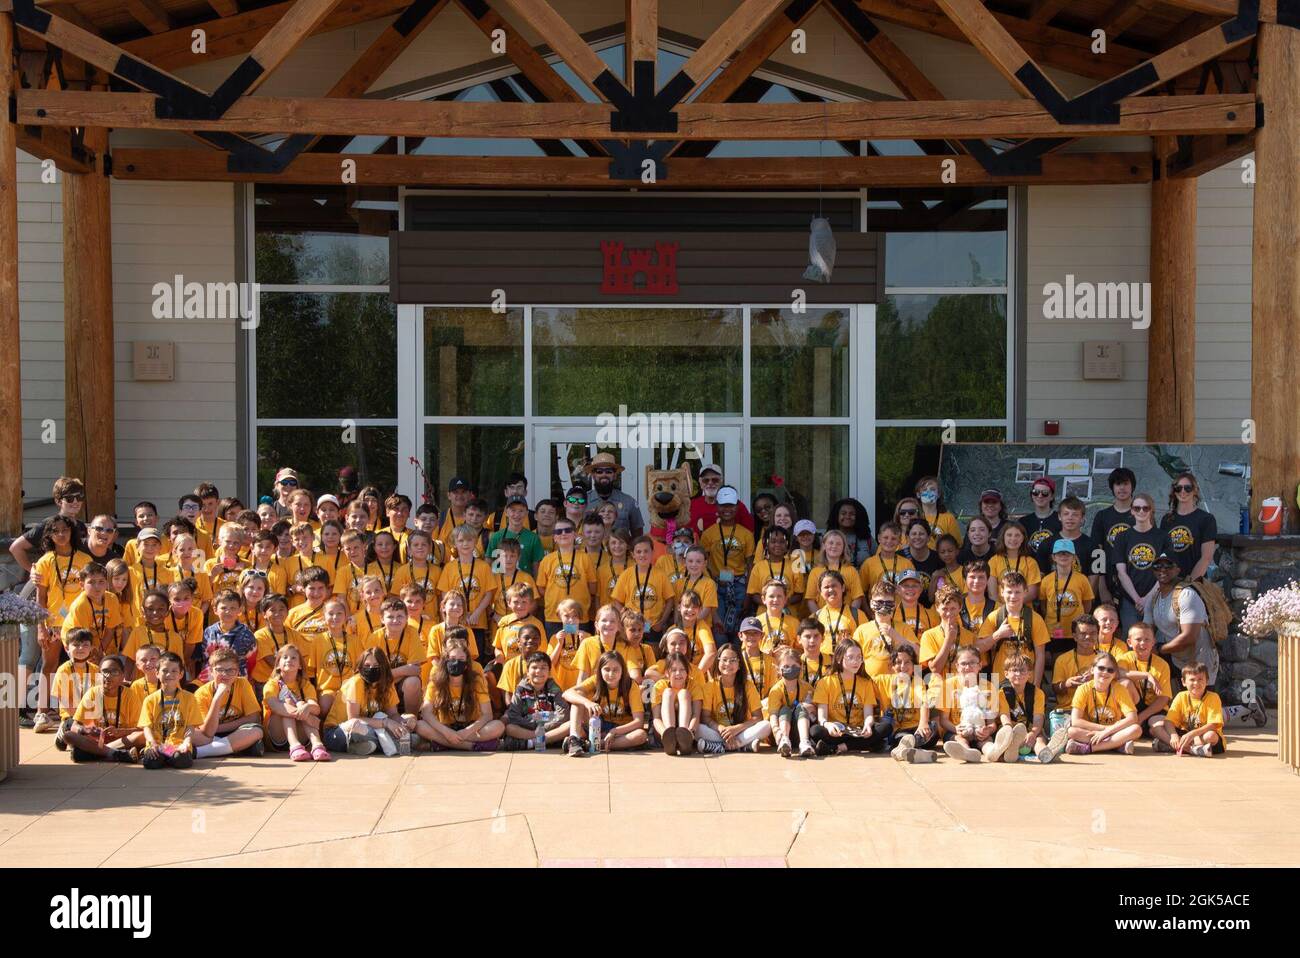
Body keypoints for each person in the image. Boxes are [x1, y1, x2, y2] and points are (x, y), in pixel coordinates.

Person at [416, 637, 504, 751]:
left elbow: (487, 714)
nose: (456, 662)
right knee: (420, 726)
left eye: (461, 659)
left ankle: (443, 744)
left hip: (471, 728)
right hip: (445, 727)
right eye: (452, 658)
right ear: (445, 661)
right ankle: (471, 746)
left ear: (467, 664)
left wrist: (466, 732)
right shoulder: (436, 681)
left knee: (499, 726)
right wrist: (447, 732)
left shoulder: (476, 680)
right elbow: (426, 712)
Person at [326, 647, 415, 756]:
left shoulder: (387, 682)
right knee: (358, 726)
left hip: (370, 728)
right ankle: (398, 743)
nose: (372, 669)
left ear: (383, 668)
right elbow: (353, 718)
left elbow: (393, 714)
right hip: (338, 732)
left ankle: (365, 746)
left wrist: (402, 724)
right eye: (367, 665)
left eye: (376, 666)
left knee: (409, 719)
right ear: (361, 666)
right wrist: (386, 723)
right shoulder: (356, 682)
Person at [561, 650, 648, 756]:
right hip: (597, 725)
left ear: (623, 671)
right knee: (578, 696)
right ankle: (574, 739)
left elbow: (639, 721)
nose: (611, 674)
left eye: (616, 670)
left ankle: (589, 745)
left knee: (641, 735)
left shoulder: (630, 685)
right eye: (606, 669)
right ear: (600, 670)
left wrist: (614, 731)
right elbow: (567, 693)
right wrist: (587, 703)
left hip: (621, 729)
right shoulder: (596, 680)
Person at [61, 654, 142, 763]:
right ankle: (114, 753)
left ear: (122, 676)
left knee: (142, 735)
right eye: (104, 672)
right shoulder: (93, 693)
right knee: (68, 735)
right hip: (97, 741)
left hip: (121, 740)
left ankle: (100, 753)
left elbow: (140, 729)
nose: (108, 676)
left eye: (114, 672)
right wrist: (86, 730)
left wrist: (120, 732)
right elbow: (75, 726)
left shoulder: (131, 695)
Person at [699, 486, 755, 643]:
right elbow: (704, 563)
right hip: (717, 586)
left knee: (738, 632)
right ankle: (720, 664)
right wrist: (711, 581)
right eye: (723, 505)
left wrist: (748, 595)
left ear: (737, 506)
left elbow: (750, 565)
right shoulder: (709, 533)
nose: (727, 509)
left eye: (730, 505)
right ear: (717, 506)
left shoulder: (746, 534)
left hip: (739, 586)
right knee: (719, 630)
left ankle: (737, 666)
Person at [810, 640, 885, 755]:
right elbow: (822, 718)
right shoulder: (825, 682)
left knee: (885, 728)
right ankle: (865, 744)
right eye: (850, 657)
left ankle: (839, 747)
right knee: (815, 731)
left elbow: (868, 715)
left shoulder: (866, 683)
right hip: (837, 731)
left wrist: (868, 725)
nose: (856, 661)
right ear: (839, 659)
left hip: (858, 731)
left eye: (859, 657)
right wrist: (827, 725)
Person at [193, 647, 266, 759]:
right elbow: (205, 731)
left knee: (256, 731)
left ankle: (199, 752)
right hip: (210, 736)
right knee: (189, 733)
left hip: (236, 732)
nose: (225, 674)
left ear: (237, 672)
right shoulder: (201, 693)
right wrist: (217, 698)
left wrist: (219, 728)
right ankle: (234, 747)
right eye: (220, 670)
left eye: (230, 670)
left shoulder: (242, 684)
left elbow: (254, 718)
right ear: (211, 671)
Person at [979, 571, 1049, 687]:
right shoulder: (994, 617)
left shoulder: (1035, 619)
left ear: (1025, 592)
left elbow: (1040, 655)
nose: (1013, 596)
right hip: (999, 682)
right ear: (1001, 592)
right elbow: (979, 648)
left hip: (1027, 681)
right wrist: (998, 634)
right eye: (1009, 592)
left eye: (1017, 592)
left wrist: (1035, 686)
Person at [997, 652, 1069, 764]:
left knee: (1039, 739)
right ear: (1006, 674)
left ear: (1030, 674)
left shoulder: (1038, 693)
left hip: (1030, 729)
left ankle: (1045, 752)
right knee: (1004, 737)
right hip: (1011, 730)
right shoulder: (1001, 693)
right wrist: (1009, 730)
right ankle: (1012, 749)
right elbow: (1004, 715)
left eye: (1022, 670)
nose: (1018, 674)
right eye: (1014, 670)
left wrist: (1033, 733)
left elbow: (1038, 718)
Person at [697, 645, 770, 753]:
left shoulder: (747, 685)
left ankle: (719, 747)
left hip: (741, 731)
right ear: (718, 662)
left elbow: (758, 717)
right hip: (719, 732)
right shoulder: (710, 686)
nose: (728, 664)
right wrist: (721, 728)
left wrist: (736, 729)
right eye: (724, 660)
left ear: (739, 664)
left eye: (733, 660)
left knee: (766, 726)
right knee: (698, 729)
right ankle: (742, 746)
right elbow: (705, 717)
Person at [935, 646, 1002, 763]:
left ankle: (992, 752)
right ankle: (966, 752)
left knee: (986, 740)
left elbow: (991, 722)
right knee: (959, 739)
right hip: (957, 731)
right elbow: (943, 720)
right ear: (957, 666)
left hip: (980, 730)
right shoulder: (948, 685)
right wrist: (956, 729)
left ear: (980, 665)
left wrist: (988, 730)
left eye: (972, 663)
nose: (968, 667)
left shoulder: (989, 687)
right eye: (963, 663)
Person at [1066, 653, 1142, 755]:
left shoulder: (1120, 689)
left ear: (1115, 674)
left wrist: (1106, 732)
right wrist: (1104, 730)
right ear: (1092, 669)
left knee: (1136, 729)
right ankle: (1117, 745)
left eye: (1110, 670)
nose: (1105, 672)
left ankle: (1090, 748)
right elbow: (1075, 721)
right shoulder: (1083, 689)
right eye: (1101, 668)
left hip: (1113, 730)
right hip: (1098, 730)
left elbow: (1133, 718)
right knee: (1072, 731)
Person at [139, 651, 204, 769]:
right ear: (157, 673)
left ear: (181, 674)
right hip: (157, 745)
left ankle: (173, 756)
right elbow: (146, 727)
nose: (169, 674)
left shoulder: (189, 698)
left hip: (178, 745)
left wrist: (186, 742)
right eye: (165, 671)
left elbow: (190, 726)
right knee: (152, 763)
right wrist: (153, 743)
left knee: (181, 761)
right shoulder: (150, 700)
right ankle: (162, 756)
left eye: (174, 671)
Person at [535, 518, 598, 638]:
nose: (563, 533)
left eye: (567, 530)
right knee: (556, 650)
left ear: (574, 534)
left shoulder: (585, 558)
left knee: (579, 651)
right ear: (555, 537)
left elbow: (592, 587)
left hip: (579, 615)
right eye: (559, 531)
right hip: (554, 615)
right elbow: (541, 588)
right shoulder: (547, 560)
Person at [1115, 622, 1174, 749]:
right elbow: (1120, 673)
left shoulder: (1162, 664)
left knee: (1157, 726)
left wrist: (1141, 717)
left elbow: (1164, 698)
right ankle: (1125, 737)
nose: (1143, 643)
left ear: (1153, 642)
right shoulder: (1124, 659)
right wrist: (1146, 675)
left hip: (1153, 710)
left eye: (1147, 639)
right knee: (1124, 683)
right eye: (1138, 639)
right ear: (1129, 642)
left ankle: (1177, 746)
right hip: (1132, 708)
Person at [1114, 493, 1167, 632]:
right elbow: (1121, 572)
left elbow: (1165, 573)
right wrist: (1137, 599)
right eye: (1137, 508)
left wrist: (1147, 599)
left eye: (1145, 508)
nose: (1141, 511)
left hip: (1157, 598)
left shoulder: (1163, 537)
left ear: (1151, 510)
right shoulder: (1122, 537)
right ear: (1132, 511)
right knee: (1131, 642)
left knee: (1155, 644)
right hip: (1130, 600)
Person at [877, 646, 938, 764]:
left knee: (933, 728)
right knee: (902, 738)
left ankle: (908, 750)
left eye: (907, 662)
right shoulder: (883, 681)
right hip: (899, 731)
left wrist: (923, 723)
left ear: (914, 666)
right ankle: (917, 751)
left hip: (917, 728)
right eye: (898, 662)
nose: (903, 666)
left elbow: (923, 703)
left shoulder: (917, 682)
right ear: (892, 666)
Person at [502, 651, 570, 750]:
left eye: (543, 668)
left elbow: (563, 714)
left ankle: (530, 743)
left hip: (549, 727)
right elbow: (514, 715)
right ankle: (545, 740)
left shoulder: (554, 689)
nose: (538, 671)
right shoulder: (521, 689)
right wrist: (536, 725)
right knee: (509, 728)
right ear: (528, 672)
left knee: (570, 725)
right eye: (534, 667)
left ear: (549, 672)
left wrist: (542, 724)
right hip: (528, 728)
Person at [611, 535, 674, 641]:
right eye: (638, 552)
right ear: (633, 554)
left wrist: (661, 622)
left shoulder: (661, 575)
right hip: (631, 627)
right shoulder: (626, 575)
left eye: (646, 551)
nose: (642, 555)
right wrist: (627, 617)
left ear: (652, 552)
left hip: (653, 627)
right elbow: (617, 600)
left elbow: (670, 600)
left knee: (652, 655)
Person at [1038, 539, 1094, 652]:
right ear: (1053, 557)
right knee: (1056, 662)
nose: (1063, 556)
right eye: (1060, 553)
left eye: (1067, 553)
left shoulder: (1082, 579)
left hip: (1076, 630)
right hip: (1053, 630)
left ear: (1074, 557)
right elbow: (1043, 605)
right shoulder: (1046, 580)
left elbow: (1087, 605)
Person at [1159, 473, 1218, 580]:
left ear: (1195, 490)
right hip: (1169, 582)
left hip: (1195, 582)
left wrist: (1189, 583)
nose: (1183, 491)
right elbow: (1162, 554)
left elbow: (1206, 557)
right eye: (1178, 488)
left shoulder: (1206, 519)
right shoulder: (1166, 520)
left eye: (1187, 488)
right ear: (1174, 491)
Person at [854, 581, 916, 680]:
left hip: (898, 685)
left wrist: (897, 637)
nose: (883, 607)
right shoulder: (862, 630)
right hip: (871, 687)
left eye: (888, 603)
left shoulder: (904, 628)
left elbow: (919, 653)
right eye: (879, 602)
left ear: (894, 605)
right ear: (871, 603)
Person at [1091, 467, 1137, 601]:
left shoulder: (1141, 514)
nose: (1122, 488)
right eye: (1118, 484)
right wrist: (1101, 587)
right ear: (1112, 487)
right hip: (1108, 579)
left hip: (1136, 580)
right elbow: (1097, 553)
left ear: (1132, 486)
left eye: (1126, 483)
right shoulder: (1102, 516)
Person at [1166, 662, 1226, 756]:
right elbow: (1169, 721)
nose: (1196, 683)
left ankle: (1179, 747)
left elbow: (1213, 725)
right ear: (1183, 682)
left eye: (1200, 679)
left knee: (1210, 735)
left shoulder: (1213, 697)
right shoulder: (1180, 696)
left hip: (1204, 736)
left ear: (1207, 681)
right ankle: (1192, 749)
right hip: (1186, 735)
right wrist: (1173, 735)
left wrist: (1193, 734)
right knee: (1157, 727)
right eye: (1192, 680)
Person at [769, 645, 816, 758]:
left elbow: (815, 710)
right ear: (778, 669)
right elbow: (773, 714)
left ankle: (805, 743)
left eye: (794, 666)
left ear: (801, 667)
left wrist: (809, 707)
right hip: (782, 730)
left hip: (802, 728)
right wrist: (776, 730)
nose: (790, 669)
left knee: (801, 708)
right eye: (786, 666)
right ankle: (785, 741)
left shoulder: (807, 687)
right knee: (784, 709)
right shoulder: (776, 690)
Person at [652, 651, 702, 755]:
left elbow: (696, 715)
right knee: (668, 692)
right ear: (666, 673)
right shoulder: (658, 686)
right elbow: (656, 718)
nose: (678, 673)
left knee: (684, 693)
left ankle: (684, 738)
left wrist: (690, 732)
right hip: (663, 730)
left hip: (687, 728)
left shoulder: (694, 686)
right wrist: (664, 733)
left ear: (687, 672)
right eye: (674, 670)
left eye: (682, 669)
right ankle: (670, 738)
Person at [804, 529, 864, 614]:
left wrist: (849, 616)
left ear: (843, 547)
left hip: (846, 619)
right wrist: (820, 619)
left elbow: (857, 598)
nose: (834, 546)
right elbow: (810, 600)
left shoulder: (851, 571)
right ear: (824, 546)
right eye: (831, 543)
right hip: (823, 621)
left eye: (838, 544)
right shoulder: (815, 572)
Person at [585, 453, 644, 537]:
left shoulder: (628, 501)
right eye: (599, 472)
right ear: (593, 475)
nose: (604, 475)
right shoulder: (584, 500)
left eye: (609, 471)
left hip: (620, 549)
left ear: (615, 475)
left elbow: (638, 535)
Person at [487, 494, 545, 574]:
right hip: (501, 584)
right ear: (506, 512)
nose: (517, 515)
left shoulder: (533, 538)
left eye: (521, 511)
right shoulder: (496, 536)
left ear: (526, 513)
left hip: (525, 584)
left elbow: (536, 568)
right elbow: (488, 563)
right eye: (513, 510)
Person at [690, 464, 754, 536]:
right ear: (700, 483)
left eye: (715, 480)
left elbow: (749, 534)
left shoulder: (736, 505)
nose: (710, 483)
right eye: (706, 480)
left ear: (721, 481)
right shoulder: (690, 506)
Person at [988, 521, 1041, 603]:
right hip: (1000, 611)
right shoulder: (994, 561)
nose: (1013, 539)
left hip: (1024, 610)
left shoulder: (1030, 562)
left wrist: (1014, 606)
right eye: (1009, 535)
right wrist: (1003, 610)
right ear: (1003, 537)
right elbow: (992, 594)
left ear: (1023, 539)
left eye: (1017, 535)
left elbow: (1032, 594)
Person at [1019, 477, 1062, 572]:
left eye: (1045, 493)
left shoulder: (1060, 520)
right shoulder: (1023, 522)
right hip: (1028, 573)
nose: (1040, 496)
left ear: (1052, 496)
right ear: (1031, 495)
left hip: (1054, 574)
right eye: (1035, 492)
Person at [860, 521, 913, 591]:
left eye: (893, 538)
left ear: (899, 540)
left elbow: (912, 590)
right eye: (885, 537)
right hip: (876, 601)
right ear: (879, 538)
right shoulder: (868, 564)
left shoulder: (907, 564)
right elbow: (861, 592)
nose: (889, 541)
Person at [914, 475, 962, 546]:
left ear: (938, 494)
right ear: (918, 494)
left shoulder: (948, 518)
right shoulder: (913, 517)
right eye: (924, 490)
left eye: (932, 489)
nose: (928, 492)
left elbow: (957, 545)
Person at [825, 497, 873, 566]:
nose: (847, 516)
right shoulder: (827, 538)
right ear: (836, 516)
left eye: (852, 514)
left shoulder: (867, 539)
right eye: (843, 513)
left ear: (858, 517)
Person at [901, 519, 942, 598]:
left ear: (929, 537)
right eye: (914, 534)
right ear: (907, 537)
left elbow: (942, 588)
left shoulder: (938, 558)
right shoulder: (899, 557)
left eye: (921, 534)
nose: (917, 537)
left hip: (933, 607)